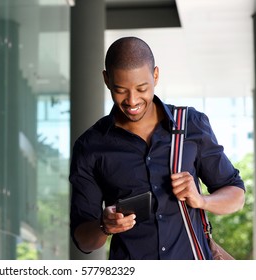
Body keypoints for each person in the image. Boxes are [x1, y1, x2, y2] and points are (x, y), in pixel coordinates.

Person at [69, 36, 245, 260]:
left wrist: (202, 201)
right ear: (106, 79)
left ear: (155, 76)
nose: (132, 101)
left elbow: (236, 194)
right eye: (120, 90)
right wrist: (105, 226)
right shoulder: (90, 146)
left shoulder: (191, 124)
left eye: (142, 88)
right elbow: (83, 239)